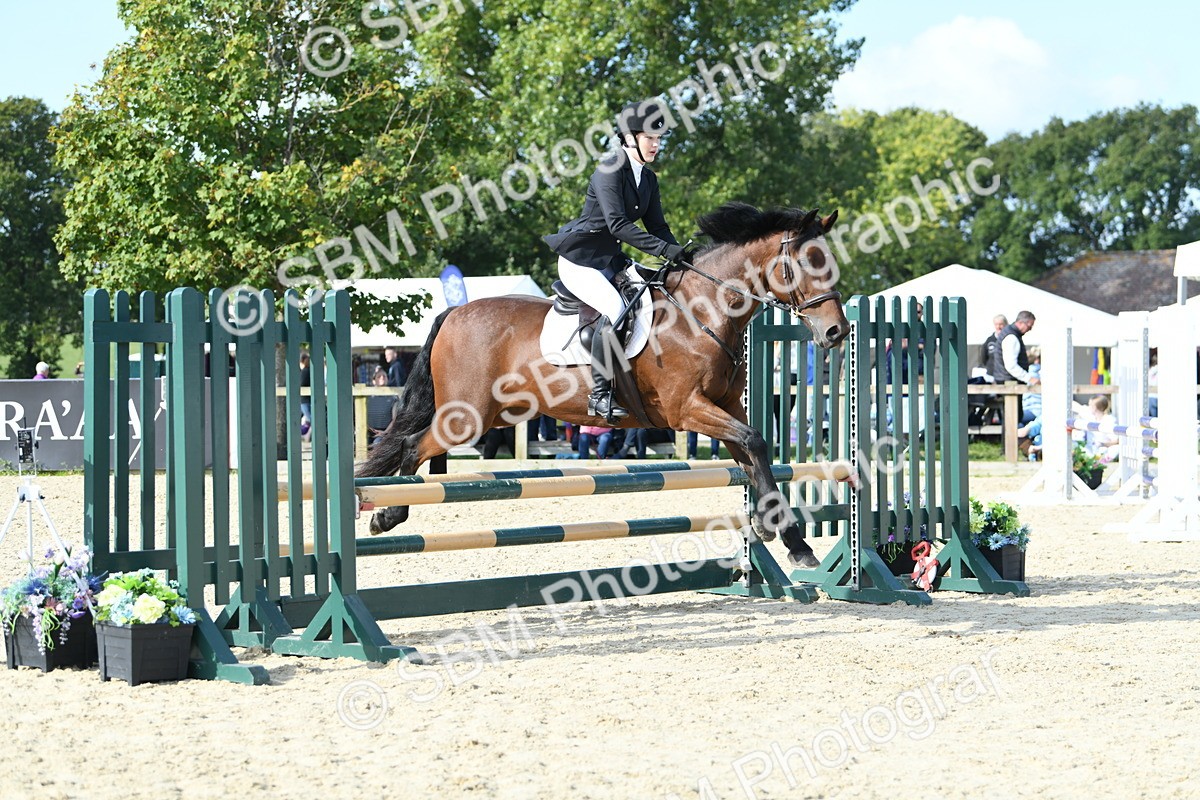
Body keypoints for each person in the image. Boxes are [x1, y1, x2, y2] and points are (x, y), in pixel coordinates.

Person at [543, 99, 693, 423]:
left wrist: (682, 254)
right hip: (580, 261)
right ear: (629, 137)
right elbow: (618, 225)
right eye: (650, 137)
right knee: (615, 308)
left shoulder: (648, 179)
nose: (656, 144)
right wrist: (663, 250)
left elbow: (658, 227)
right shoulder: (608, 170)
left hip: (610, 260)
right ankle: (599, 395)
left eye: (658, 138)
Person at [991, 310, 1039, 428]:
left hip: (1007, 381)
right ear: (1022, 323)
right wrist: (1030, 378)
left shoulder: (1011, 334)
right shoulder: (1011, 337)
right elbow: (1011, 366)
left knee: (1012, 418)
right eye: (1029, 326)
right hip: (1010, 383)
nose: (1030, 329)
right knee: (1013, 418)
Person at [365, 367, 399, 447]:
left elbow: (395, 419)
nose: (382, 377)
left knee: (377, 444)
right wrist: (369, 429)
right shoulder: (367, 397)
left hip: (386, 432)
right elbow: (361, 416)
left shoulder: (393, 397)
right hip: (368, 431)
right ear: (374, 381)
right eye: (379, 376)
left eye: (384, 376)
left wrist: (384, 432)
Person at [977, 314, 1008, 382]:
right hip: (991, 374)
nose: (998, 327)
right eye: (996, 324)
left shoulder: (1010, 339)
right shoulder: (989, 340)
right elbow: (983, 356)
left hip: (1005, 376)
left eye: (1001, 324)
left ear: (1006, 325)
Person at [298, 351, 312, 440]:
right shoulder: (310, 371)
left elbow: (301, 384)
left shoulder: (304, 371)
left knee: (310, 419)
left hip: (304, 400)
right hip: (308, 399)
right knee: (309, 418)